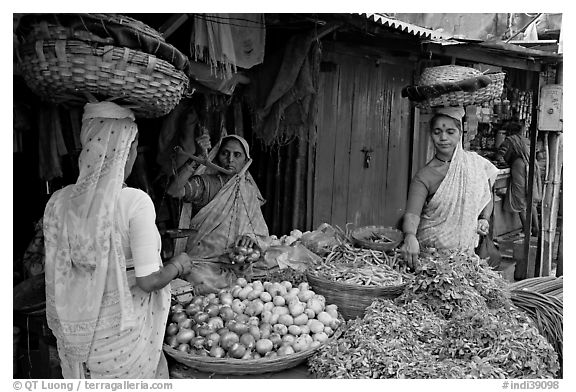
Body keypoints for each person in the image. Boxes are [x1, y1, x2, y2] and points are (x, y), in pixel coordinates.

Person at [43, 101, 193, 379]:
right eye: (134, 147)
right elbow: (148, 281)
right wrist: (178, 265)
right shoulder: (134, 202)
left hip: (76, 343)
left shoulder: (58, 202)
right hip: (122, 347)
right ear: (125, 149)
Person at [167, 133, 269, 292]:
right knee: (196, 278)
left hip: (238, 264)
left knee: (258, 275)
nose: (230, 160)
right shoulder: (208, 184)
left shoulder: (249, 191)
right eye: (225, 153)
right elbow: (174, 191)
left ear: (246, 161)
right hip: (204, 264)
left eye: (237, 155)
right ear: (216, 156)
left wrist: (249, 239)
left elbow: (259, 231)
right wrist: (196, 159)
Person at [400, 107, 499, 268]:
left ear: (460, 133)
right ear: (431, 134)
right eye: (437, 132)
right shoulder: (425, 175)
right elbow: (412, 214)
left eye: (450, 132)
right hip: (432, 257)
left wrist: (484, 218)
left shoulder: (475, 164)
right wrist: (410, 236)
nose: (443, 138)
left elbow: (487, 192)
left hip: (465, 257)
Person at [494, 120, 542, 237]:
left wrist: (499, 159)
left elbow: (500, 156)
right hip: (532, 166)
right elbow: (539, 156)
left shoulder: (509, 141)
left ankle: (526, 230)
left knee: (520, 200)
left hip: (519, 167)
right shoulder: (527, 140)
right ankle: (536, 229)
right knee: (531, 200)